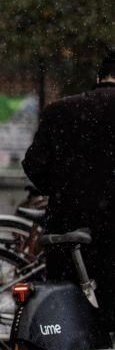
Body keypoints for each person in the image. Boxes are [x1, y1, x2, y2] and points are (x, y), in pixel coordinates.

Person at [23, 51, 115, 314]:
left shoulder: (60, 110)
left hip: (67, 229)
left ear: (99, 77)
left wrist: (65, 189)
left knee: (66, 308)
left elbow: (33, 166)